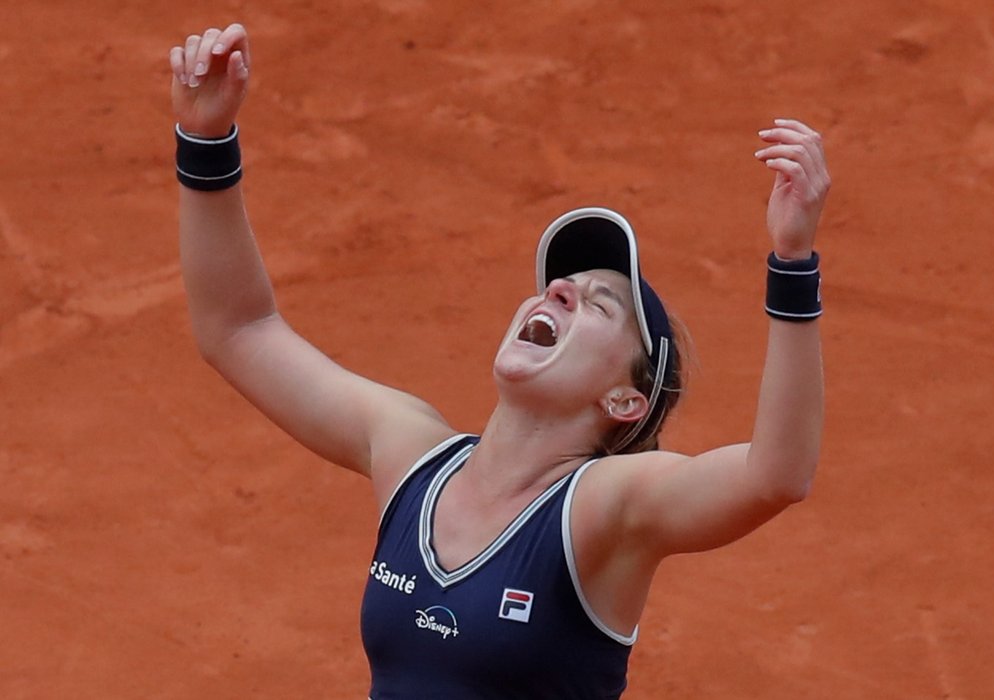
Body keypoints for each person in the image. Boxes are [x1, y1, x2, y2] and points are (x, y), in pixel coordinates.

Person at [169, 22, 830, 700]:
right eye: (559, 287)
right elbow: (239, 330)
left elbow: (775, 476)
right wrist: (205, 139)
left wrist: (792, 264)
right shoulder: (410, 456)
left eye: (600, 306)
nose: (560, 290)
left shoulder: (605, 509)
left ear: (624, 402)